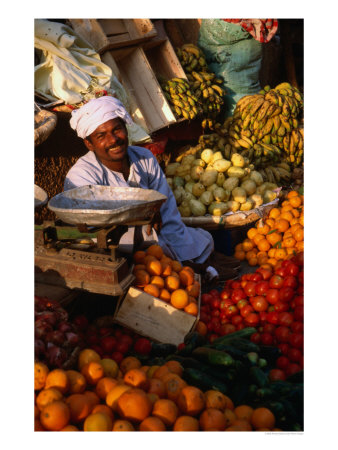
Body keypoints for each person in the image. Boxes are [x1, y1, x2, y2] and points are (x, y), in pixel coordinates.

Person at [64, 96, 239, 280]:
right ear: (89, 144)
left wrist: (156, 216)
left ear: (126, 128)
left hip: (154, 231)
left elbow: (167, 210)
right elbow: (93, 230)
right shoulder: (82, 176)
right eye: (101, 136)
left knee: (200, 237)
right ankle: (193, 269)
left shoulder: (144, 157)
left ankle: (193, 263)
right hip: (115, 244)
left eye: (117, 129)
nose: (114, 139)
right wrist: (139, 216)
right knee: (146, 242)